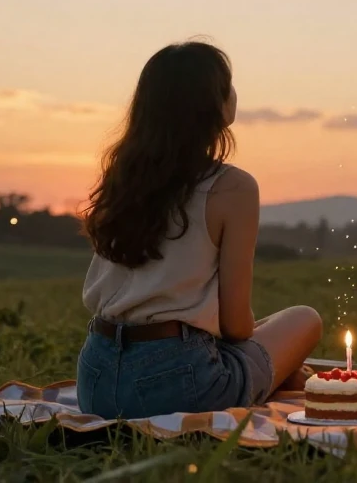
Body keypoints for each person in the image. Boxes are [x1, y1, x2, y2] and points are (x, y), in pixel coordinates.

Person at [78, 41, 322, 419]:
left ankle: (282, 372)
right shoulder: (233, 187)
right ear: (213, 104)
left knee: (270, 333)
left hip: (95, 381)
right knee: (304, 319)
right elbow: (237, 326)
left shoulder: (122, 178)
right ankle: (286, 375)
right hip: (179, 382)